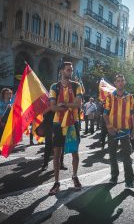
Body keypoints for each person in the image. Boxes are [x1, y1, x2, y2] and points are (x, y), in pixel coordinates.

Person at [48, 62, 83, 195]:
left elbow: (78, 104)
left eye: (72, 70)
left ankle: (74, 176)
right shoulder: (54, 86)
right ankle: (56, 182)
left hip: (73, 122)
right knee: (57, 153)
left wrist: (63, 104)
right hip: (58, 123)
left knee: (74, 151)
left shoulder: (76, 85)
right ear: (62, 71)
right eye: (68, 70)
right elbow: (52, 107)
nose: (71, 72)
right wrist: (69, 105)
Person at [103, 74, 134, 188]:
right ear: (115, 83)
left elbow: (133, 115)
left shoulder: (130, 97)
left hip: (125, 130)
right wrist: (109, 127)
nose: (120, 83)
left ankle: (129, 181)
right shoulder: (109, 96)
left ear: (125, 82)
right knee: (112, 155)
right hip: (113, 130)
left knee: (126, 156)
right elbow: (105, 114)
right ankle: (114, 177)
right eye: (118, 81)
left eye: (122, 80)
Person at [0, 88, 13, 153]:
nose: (8, 95)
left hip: (9, 122)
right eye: (6, 93)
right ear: (3, 94)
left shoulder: (12, 102)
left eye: (9, 93)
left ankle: (5, 149)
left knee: (7, 136)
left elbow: (17, 111)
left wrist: (12, 108)